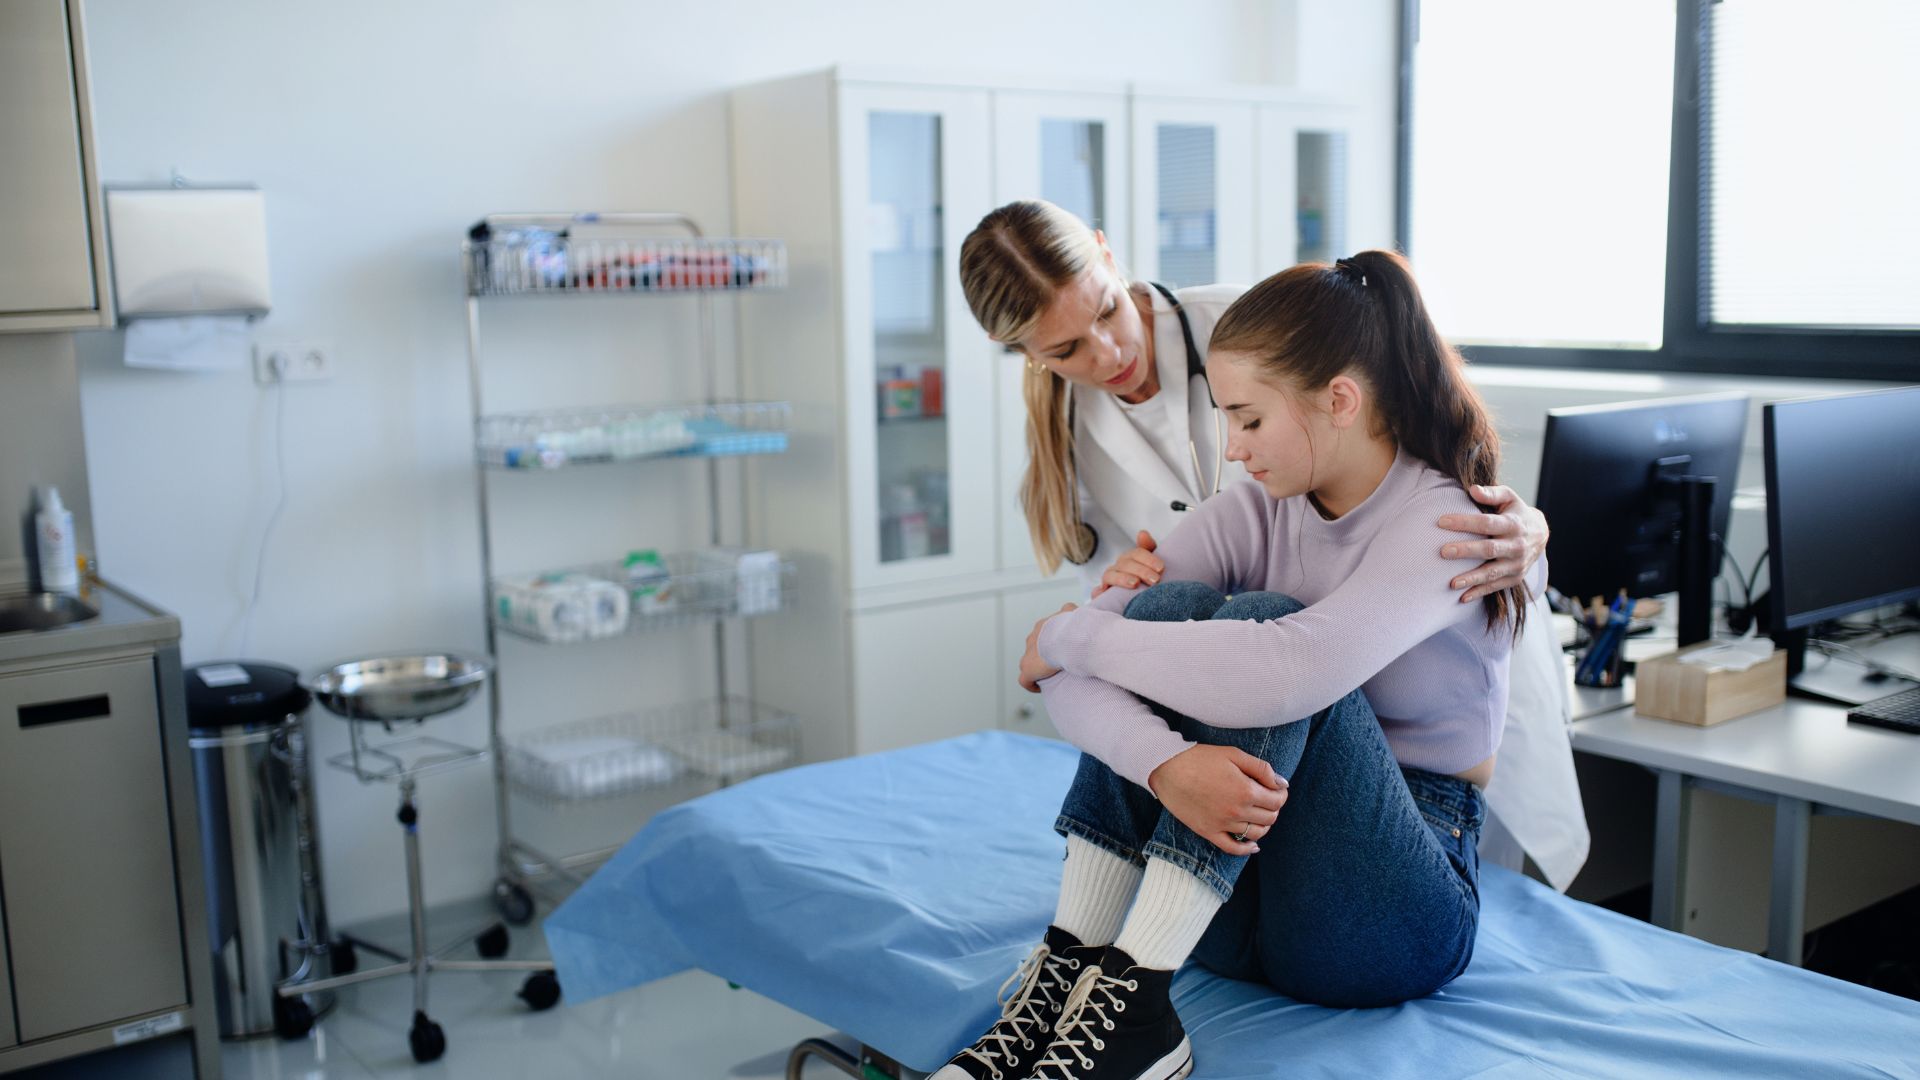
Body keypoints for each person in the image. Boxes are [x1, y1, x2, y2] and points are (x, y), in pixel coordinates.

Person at [931, 250, 1545, 1080]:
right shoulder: (1253, 511)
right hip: (1232, 910)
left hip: (1390, 918)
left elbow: (1285, 674)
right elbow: (1071, 687)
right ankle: (1078, 965)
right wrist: (1168, 765)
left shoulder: (1447, 524)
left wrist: (1070, 636)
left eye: (1249, 420)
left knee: (1264, 627)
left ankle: (1137, 1004)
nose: (1234, 447)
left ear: (1339, 400)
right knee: (1161, 610)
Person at [958, 199, 1585, 895]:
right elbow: (1106, 642)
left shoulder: (1243, 325)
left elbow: (1425, 442)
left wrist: (1528, 521)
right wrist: (1159, 753)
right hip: (1260, 703)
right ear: (1025, 357)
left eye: (1106, 312)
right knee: (1184, 609)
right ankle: (1103, 948)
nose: (1109, 354)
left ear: (1110, 256)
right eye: (1066, 350)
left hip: (1396, 683)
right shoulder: (1070, 439)